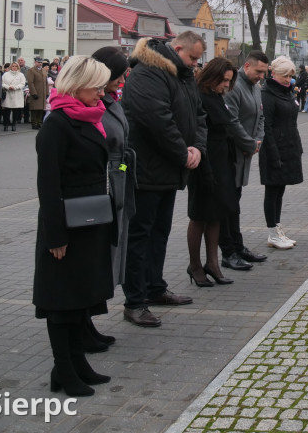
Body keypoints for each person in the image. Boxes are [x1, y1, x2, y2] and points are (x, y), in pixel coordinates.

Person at [32, 55, 114, 397]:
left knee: (80, 296)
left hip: (90, 219)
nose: (102, 93)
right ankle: (63, 369)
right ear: (75, 85)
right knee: (61, 300)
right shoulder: (57, 124)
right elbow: (48, 185)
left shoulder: (91, 117)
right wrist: (56, 235)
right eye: (96, 87)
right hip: (66, 223)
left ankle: (77, 362)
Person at [120, 31, 207, 328]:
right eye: (193, 58)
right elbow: (156, 119)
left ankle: (154, 288)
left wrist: (197, 147)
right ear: (177, 48)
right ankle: (134, 301)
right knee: (139, 236)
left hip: (168, 170)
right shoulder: (149, 72)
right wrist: (182, 152)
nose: (196, 64)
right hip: (146, 169)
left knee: (159, 233)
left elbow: (198, 116)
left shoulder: (181, 74)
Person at [89, 46, 132, 350]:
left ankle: (90, 318)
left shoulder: (110, 101)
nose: (123, 79)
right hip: (105, 185)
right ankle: (84, 319)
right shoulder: (94, 105)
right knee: (98, 254)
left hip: (120, 179)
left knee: (111, 253)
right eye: (119, 74)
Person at [186, 58, 240, 287]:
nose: (226, 86)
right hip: (204, 162)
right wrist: (204, 165)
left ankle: (213, 263)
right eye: (224, 81)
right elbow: (197, 132)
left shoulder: (217, 97)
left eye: (229, 81)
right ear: (213, 77)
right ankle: (195, 265)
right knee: (200, 216)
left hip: (222, 162)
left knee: (216, 214)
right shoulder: (198, 96)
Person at [220, 51, 268, 272]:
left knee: (235, 203)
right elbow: (231, 121)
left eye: (264, 73)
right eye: (258, 71)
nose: (261, 76)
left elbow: (260, 116)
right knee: (228, 205)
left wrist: (258, 139)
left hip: (245, 153)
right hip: (231, 154)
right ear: (247, 66)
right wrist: (250, 143)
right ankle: (229, 251)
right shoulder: (234, 86)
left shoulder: (255, 87)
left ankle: (238, 247)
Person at [259, 57, 304, 250]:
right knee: (272, 190)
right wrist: (273, 153)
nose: (288, 79)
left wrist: (297, 146)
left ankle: (277, 229)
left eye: (290, 76)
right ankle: (272, 233)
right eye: (285, 76)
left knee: (280, 190)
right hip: (274, 149)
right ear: (274, 73)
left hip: (289, 147)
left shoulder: (287, 92)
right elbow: (266, 126)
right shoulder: (267, 93)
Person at [1, 60, 27, 132]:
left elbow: (22, 83)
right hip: (8, 93)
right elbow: (2, 83)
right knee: (7, 110)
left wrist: (15, 87)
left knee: (15, 110)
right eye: (13, 66)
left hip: (17, 93)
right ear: (10, 67)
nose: (14, 68)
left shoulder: (21, 75)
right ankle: (6, 125)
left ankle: (14, 124)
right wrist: (8, 87)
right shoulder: (5, 74)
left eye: (16, 66)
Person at [26, 57, 49, 129]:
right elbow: (30, 82)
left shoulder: (43, 71)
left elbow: (46, 82)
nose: (40, 64)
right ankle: (34, 123)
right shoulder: (31, 70)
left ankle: (40, 122)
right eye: (38, 62)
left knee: (41, 109)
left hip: (43, 92)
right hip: (36, 92)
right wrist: (33, 93)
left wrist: (47, 92)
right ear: (35, 62)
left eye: (41, 62)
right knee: (35, 109)